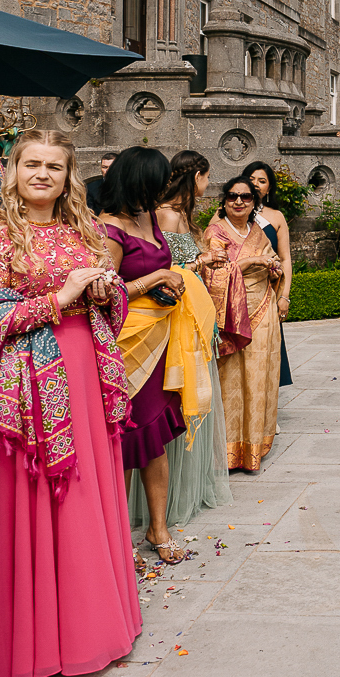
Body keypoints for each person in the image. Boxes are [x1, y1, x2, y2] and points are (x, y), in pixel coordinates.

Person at [0, 129, 142, 677]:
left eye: (54, 167)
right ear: (12, 172)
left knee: (86, 491)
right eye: (31, 164)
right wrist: (58, 300)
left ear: (67, 179)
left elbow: (114, 303)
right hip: (25, 386)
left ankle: (90, 625)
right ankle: (28, 639)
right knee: (26, 497)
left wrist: (107, 292)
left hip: (83, 372)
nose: (42, 174)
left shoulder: (83, 233)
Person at [95, 147, 190, 562]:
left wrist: (172, 285)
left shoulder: (149, 217)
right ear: (137, 181)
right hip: (125, 345)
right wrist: (155, 278)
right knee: (123, 438)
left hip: (159, 339)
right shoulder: (108, 229)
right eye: (158, 182)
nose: (164, 190)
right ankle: (116, 535)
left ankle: (157, 527)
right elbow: (103, 294)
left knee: (154, 438)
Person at [135, 149, 232, 534]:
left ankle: (187, 489)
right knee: (180, 396)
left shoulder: (183, 216)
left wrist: (202, 260)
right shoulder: (165, 213)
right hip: (174, 318)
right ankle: (168, 499)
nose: (208, 185)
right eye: (207, 177)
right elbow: (163, 269)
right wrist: (201, 262)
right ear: (197, 177)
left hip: (195, 314)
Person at [202, 176, 285, 469]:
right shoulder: (216, 232)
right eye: (233, 196)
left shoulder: (258, 233)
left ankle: (254, 445)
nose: (239, 201)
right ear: (224, 201)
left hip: (263, 309)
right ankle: (227, 450)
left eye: (246, 197)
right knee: (232, 379)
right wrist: (249, 265)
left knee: (260, 374)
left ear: (254, 203)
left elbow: (273, 259)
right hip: (230, 316)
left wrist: (272, 267)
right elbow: (211, 274)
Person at [242, 161, 295, 388]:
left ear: (269, 188)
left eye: (262, 181)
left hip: (267, 292)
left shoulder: (276, 217)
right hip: (237, 290)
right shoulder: (225, 214)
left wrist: (284, 296)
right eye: (251, 179)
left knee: (268, 346)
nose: (256, 184)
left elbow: (285, 259)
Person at [84, 149, 116, 214]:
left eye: (111, 167)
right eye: (104, 167)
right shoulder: (91, 188)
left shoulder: (128, 187)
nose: (108, 171)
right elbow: (89, 214)